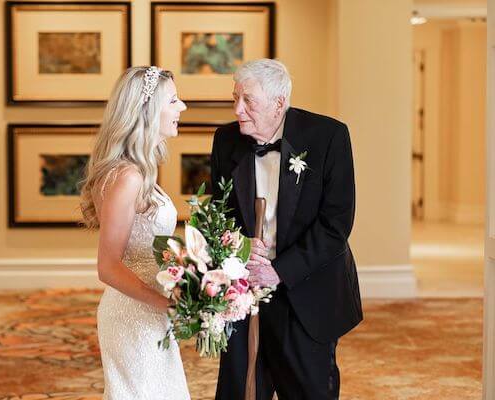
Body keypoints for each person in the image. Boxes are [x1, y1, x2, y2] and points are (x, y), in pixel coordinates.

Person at [211, 59, 363, 400]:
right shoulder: (225, 140)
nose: (238, 109)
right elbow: (218, 214)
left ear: (279, 103)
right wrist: (238, 245)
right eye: (235, 98)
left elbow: (335, 224)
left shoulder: (328, 137)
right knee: (240, 390)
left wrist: (279, 271)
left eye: (248, 100)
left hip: (306, 291)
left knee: (309, 391)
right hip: (243, 293)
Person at [79, 66, 189, 400]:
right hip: (133, 315)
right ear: (148, 111)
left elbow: (145, 245)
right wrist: (167, 304)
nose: (182, 107)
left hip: (147, 309)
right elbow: (108, 266)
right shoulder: (127, 176)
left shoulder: (139, 171)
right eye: (173, 99)